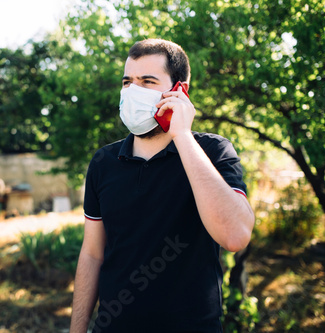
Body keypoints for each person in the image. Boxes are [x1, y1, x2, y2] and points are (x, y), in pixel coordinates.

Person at [69, 39, 255, 333]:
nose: (132, 91)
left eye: (147, 81)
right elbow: (92, 254)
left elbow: (235, 236)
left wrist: (181, 135)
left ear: (179, 91)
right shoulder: (103, 162)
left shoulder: (214, 151)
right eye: (127, 81)